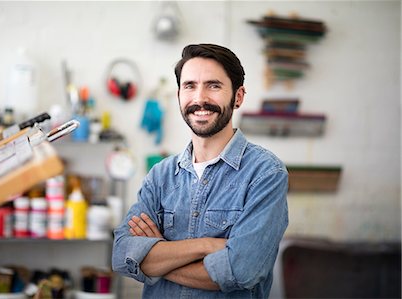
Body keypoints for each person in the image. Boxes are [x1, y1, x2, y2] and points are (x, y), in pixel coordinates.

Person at [112, 43, 288, 298]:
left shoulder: (265, 174)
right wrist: (205, 246)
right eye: (190, 86)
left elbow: (240, 270)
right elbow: (121, 254)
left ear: (238, 97)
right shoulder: (160, 176)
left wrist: (155, 256)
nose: (200, 98)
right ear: (179, 95)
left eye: (214, 85)